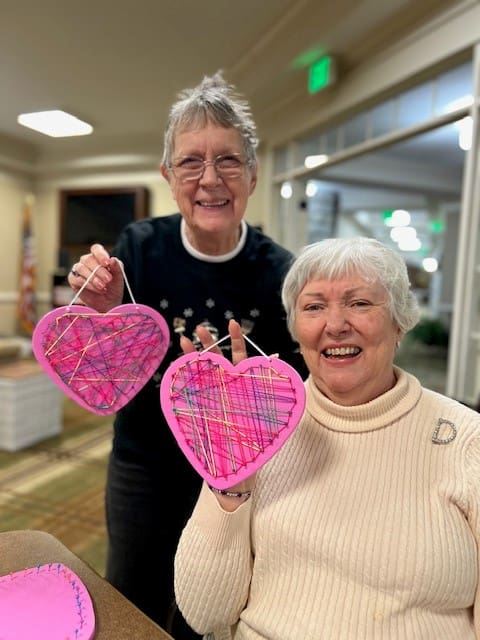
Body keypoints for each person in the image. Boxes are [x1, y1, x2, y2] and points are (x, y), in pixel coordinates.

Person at [66, 72, 306, 638]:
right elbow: (106, 368)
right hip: (144, 458)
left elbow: (297, 392)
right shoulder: (139, 249)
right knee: (132, 595)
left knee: (213, 605)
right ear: (168, 176)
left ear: (252, 172)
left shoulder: (283, 273)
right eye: (190, 162)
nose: (209, 179)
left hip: (237, 475)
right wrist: (97, 313)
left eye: (227, 160)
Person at [174, 236, 480, 640]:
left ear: (400, 322)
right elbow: (205, 614)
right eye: (314, 307)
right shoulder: (257, 427)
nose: (335, 326)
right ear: (296, 330)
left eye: (359, 304)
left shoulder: (467, 440)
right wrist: (229, 483)